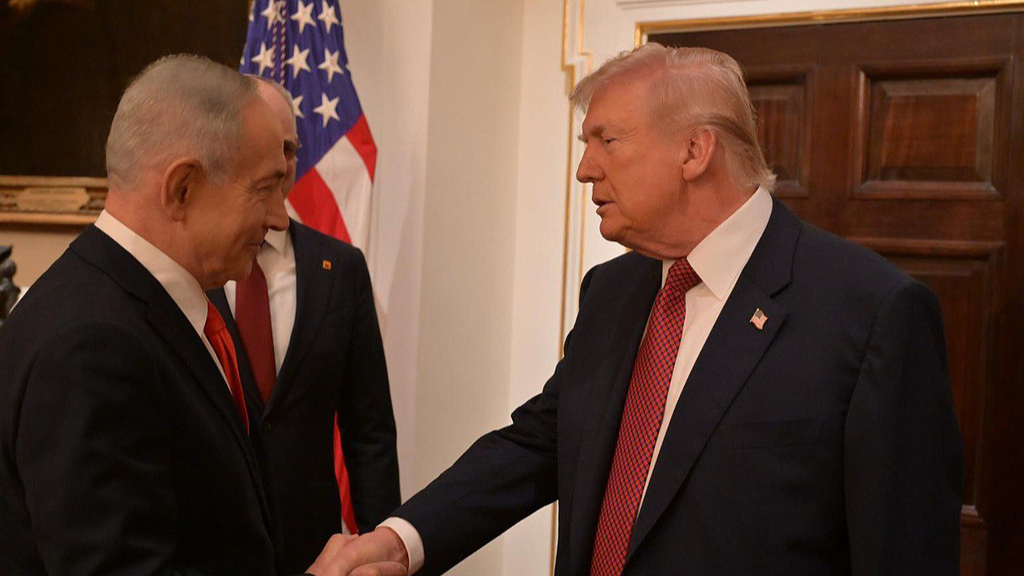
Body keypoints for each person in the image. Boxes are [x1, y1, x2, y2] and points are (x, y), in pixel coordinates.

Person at [317, 43, 963, 576]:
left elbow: (904, 549)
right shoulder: (613, 292)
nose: (584, 169)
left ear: (694, 151)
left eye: (607, 141)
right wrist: (403, 540)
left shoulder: (871, 312)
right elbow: (541, 443)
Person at [0, 55, 400, 576]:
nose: (280, 217)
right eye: (264, 188)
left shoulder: (146, 305)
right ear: (182, 188)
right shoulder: (92, 346)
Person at [207, 77, 400, 574]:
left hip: (313, 542)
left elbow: (369, 430)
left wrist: (381, 544)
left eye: (291, 148)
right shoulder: (194, 266)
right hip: (211, 539)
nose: (285, 163)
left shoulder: (341, 269)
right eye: (270, 150)